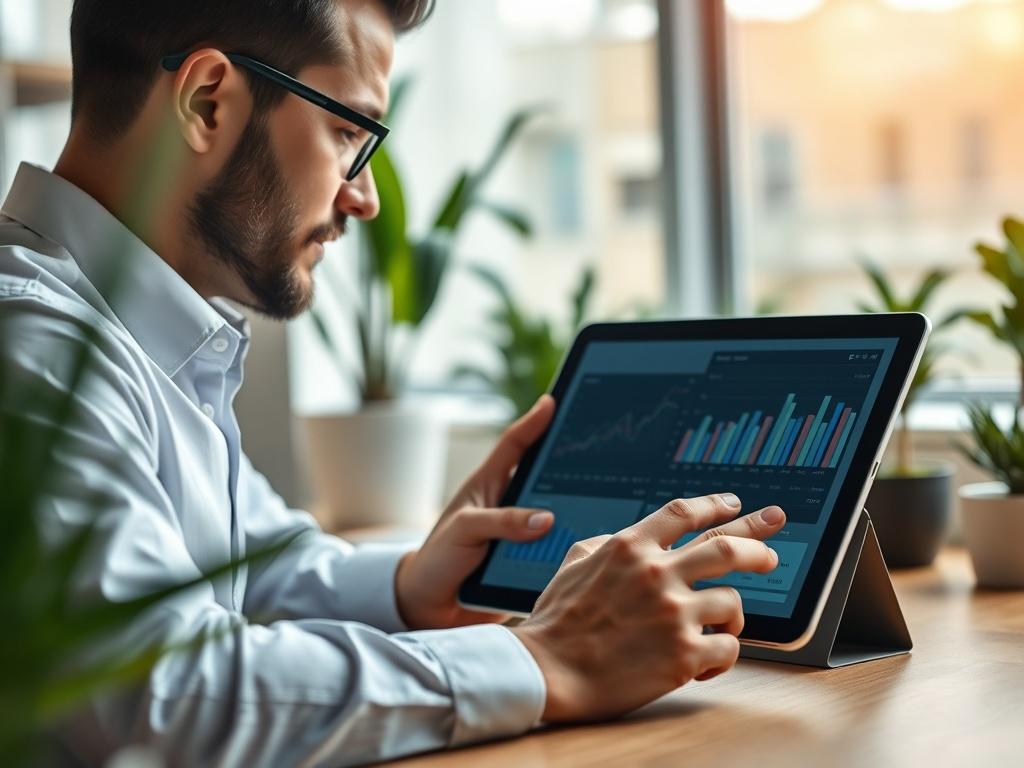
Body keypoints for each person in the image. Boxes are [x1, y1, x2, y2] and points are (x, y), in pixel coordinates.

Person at [0, 0, 787, 765]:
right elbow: (163, 696)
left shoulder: (134, 338)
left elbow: (246, 568)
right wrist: (545, 661)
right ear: (210, 102)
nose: (363, 197)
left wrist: (411, 588)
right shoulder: (29, 350)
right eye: (348, 131)